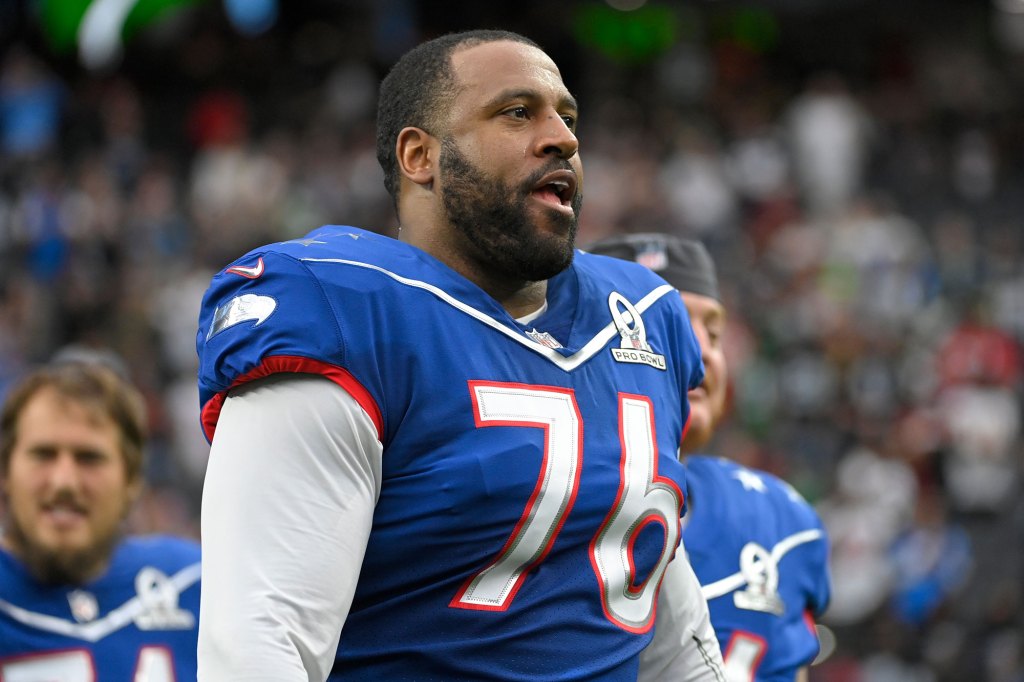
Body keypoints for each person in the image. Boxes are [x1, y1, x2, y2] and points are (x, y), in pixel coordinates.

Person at [196, 29, 726, 681]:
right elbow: (260, 636)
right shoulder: (342, 307)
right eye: (517, 112)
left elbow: (664, 615)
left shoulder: (641, 315)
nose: (562, 136)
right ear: (421, 155)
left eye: (567, 115)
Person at [587, 233, 832, 682]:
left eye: (714, 331)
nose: (701, 353)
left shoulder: (781, 526)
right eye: (669, 324)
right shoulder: (530, 512)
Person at [0, 360, 201, 680]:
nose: (64, 481)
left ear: (132, 480)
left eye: (88, 458)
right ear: (5, 472)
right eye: (44, 454)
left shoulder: (193, 583)